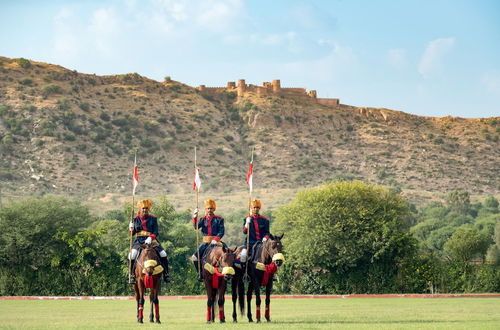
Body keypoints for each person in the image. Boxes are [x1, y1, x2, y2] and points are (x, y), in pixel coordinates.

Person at [128, 199, 172, 284]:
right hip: (139, 241)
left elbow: (156, 231)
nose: (145, 210)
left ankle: (166, 274)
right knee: (132, 256)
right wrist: (131, 228)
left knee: (163, 254)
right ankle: (132, 275)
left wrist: (151, 238)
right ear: (140, 209)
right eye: (143, 208)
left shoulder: (153, 218)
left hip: (151, 240)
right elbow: (132, 234)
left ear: (148, 209)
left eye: (146, 208)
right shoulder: (135, 219)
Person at [191, 198, 225, 282]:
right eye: (208, 208)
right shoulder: (202, 219)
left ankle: (228, 273)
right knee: (194, 257)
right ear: (206, 209)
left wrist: (216, 239)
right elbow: (196, 227)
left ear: (214, 209)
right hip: (206, 242)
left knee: (229, 255)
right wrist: (194, 217)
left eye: (211, 208)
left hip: (217, 242)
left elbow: (222, 231)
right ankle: (200, 273)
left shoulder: (219, 219)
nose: (209, 210)